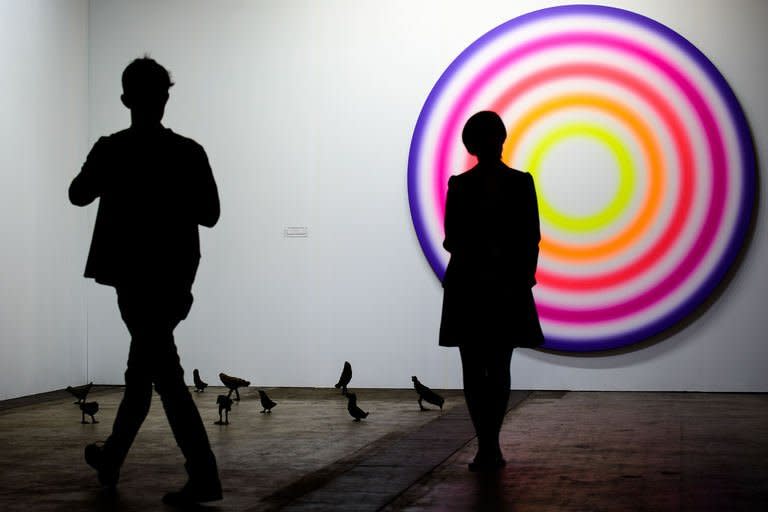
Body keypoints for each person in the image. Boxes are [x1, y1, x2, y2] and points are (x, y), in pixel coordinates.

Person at [69, 57, 222, 505]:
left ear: (124, 99)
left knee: (165, 376)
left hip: (132, 279)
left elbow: (78, 194)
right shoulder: (188, 152)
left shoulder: (111, 149)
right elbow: (210, 215)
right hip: (174, 278)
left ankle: (204, 474)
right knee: (145, 372)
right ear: (165, 98)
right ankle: (113, 457)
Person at [439, 110, 543, 471]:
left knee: (472, 366)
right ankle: (492, 446)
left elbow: (451, 240)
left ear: (470, 145)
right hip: (507, 286)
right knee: (499, 365)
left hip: (467, 285)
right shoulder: (521, 183)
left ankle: (484, 444)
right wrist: (523, 275)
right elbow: (532, 238)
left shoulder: (459, 185)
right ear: (502, 139)